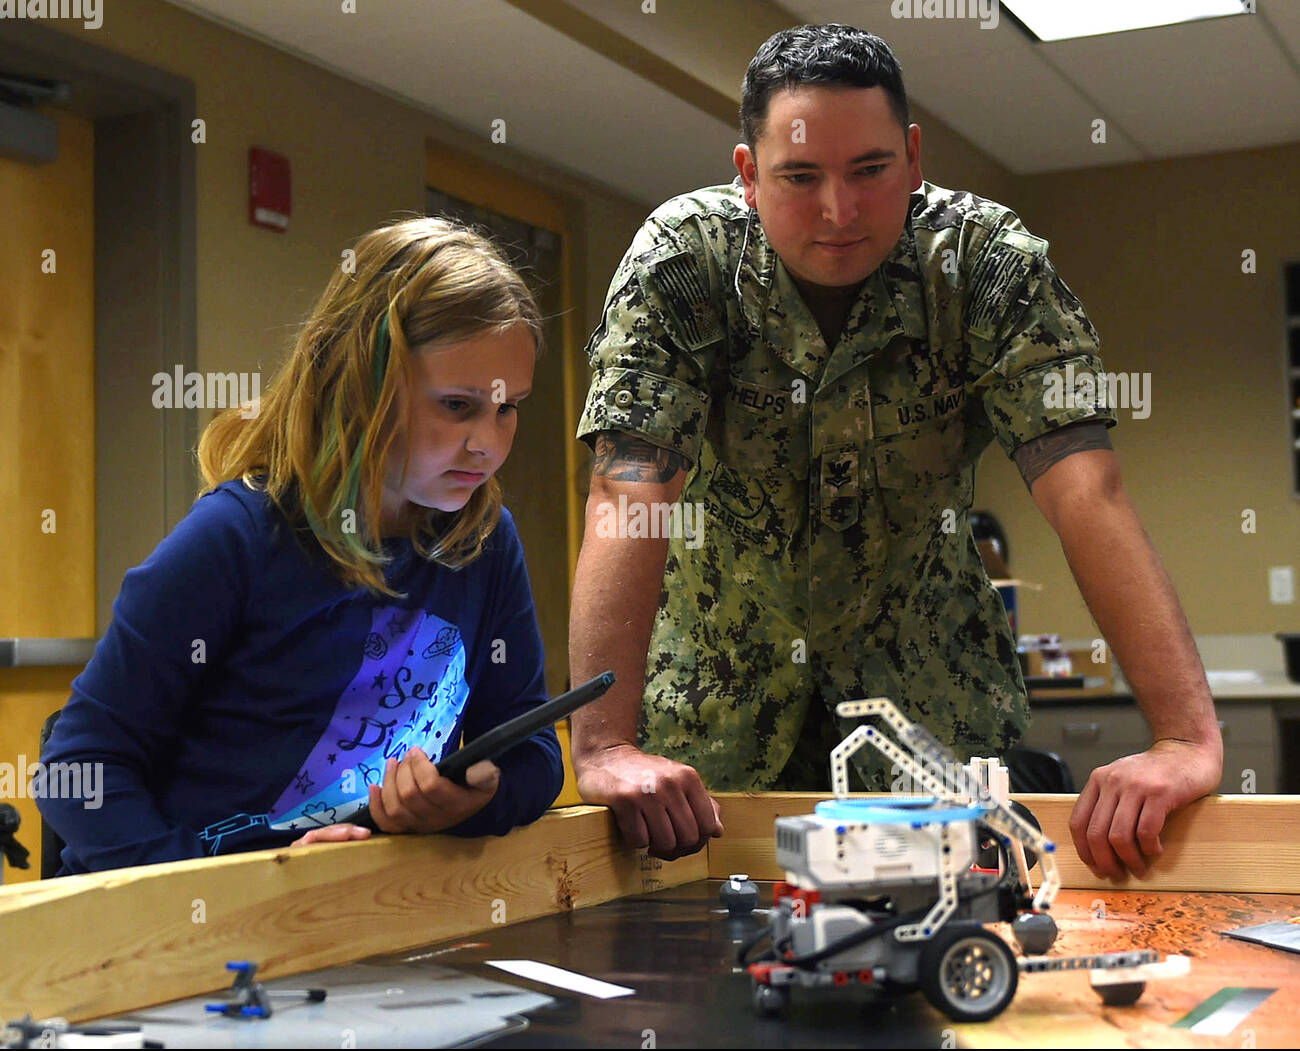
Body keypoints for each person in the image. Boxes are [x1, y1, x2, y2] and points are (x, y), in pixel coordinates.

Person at [568, 24, 1222, 879]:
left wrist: (1185, 736)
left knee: (947, 969)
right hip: (712, 732)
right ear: (747, 174)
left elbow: (1084, 489)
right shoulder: (685, 263)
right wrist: (607, 743)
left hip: (930, 720)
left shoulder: (986, 266)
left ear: (913, 157)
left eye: (869, 171)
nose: (838, 211)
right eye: (799, 177)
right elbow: (630, 492)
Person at [38, 216, 562, 874]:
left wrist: (474, 800)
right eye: (457, 406)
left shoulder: (487, 540)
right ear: (361, 384)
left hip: (339, 915)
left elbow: (533, 753)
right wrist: (209, 905)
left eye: (508, 406)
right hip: (186, 933)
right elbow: (80, 768)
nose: (488, 442)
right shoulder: (234, 538)